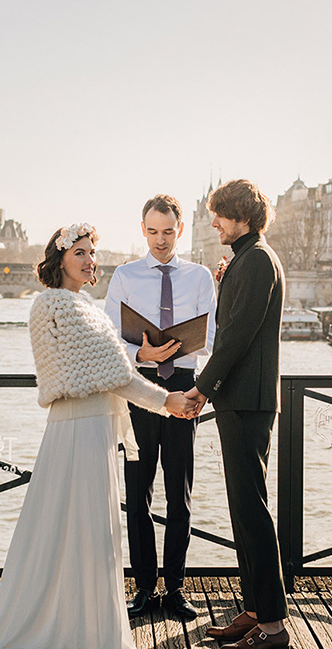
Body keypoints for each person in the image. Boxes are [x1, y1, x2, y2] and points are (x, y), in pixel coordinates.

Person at [0, 224, 196, 649]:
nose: (89, 261)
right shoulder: (54, 304)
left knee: (81, 528)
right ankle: (78, 628)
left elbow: (112, 367)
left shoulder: (85, 308)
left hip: (94, 428)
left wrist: (140, 358)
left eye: (91, 253)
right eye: (80, 253)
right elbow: (112, 375)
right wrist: (167, 401)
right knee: (81, 527)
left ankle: (76, 623)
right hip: (80, 430)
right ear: (60, 259)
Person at [184, 179, 291, 649]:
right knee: (243, 511)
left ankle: (272, 623)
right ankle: (254, 608)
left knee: (252, 511)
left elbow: (235, 338)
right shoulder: (250, 259)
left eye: (220, 215)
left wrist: (201, 389)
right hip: (243, 400)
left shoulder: (258, 260)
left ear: (242, 216)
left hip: (246, 401)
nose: (214, 223)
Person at [105, 194, 217, 621]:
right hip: (139, 387)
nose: (160, 240)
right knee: (138, 492)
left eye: (168, 232)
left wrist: (202, 390)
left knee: (179, 494)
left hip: (186, 388)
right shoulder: (125, 275)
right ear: (142, 229)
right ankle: (144, 588)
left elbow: (211, 338)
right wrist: (142, 356)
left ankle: (175, 589)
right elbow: (109, 338)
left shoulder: (199, 276)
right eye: (152, 232)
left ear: (181, 230)